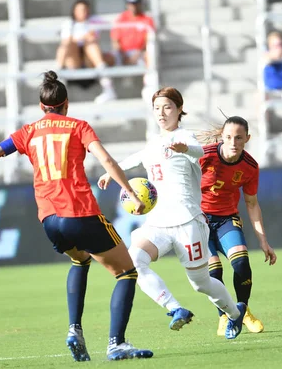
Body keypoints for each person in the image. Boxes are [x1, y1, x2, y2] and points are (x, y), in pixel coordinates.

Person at [0, 71, 153, 362]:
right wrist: (128, 190)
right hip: (80, 212)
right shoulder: (78, 127)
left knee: (80, 259)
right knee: (126, 271)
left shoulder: (27, 132)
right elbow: (105, 159)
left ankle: (74, 329)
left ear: (42, 107)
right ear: (66, 105)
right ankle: (116, 343)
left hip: (50, 220)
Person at [98, 87, 247, 340]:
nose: (161, 113)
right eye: (157, 108)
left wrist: (184, 148)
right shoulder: (154, 143)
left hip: (188, 222)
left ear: (179, 110)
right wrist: (110, 173)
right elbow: (135, 158)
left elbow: (198, 151)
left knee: (201, 284)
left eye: (167, 107)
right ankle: (175, 308)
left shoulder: (185, 137)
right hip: (158, 223)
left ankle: (234, 313)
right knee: (134, 262)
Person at [198, 116, 277, 336]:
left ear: (247, 139)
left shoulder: (250, 167)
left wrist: (263, 241)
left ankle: (242, 311)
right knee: (214, 270)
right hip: (198, 220)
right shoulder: (204, 156)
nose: (233, 142)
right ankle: (223, 316)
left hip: (226, 219)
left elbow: (251, 203)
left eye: (239, 138)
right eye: (229, 137)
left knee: (241, 263)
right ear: (222, 137)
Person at [56, 0, 117, 104]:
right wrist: (85, 37)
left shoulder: (94, 20)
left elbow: (116, 25)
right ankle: (57, 80)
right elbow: (67, 41)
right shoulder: (69, 24)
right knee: (68, 44)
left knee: (91, 44)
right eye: (79, 10)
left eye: (84, 9)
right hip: (74, 63)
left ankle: (108, 87)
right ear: (74, 11)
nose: (82, 12)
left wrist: (115, 49)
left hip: (90, 61)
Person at [110, 0, 155, 67]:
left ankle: (149, 78)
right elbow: (115, 40)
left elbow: (148, 39)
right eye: (130, 4)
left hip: (140, 52)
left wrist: (138, 53)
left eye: (135, 4)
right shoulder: (121, 19)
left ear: (140, 4)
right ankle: (105, 78)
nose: (133, 6)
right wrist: (123, 54)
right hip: (122, 52)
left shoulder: (147, 19)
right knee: (109, 58)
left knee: (149, 56)